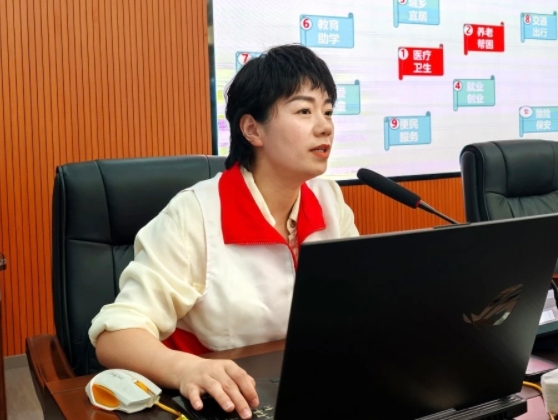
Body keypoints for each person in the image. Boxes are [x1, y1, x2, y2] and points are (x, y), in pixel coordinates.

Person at [89, 45, 359, 419]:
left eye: (327, 111)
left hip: (308, 386)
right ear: (252, 129)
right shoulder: (194, 214)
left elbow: (354, 304)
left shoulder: (329, 200)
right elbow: (115, 336)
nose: (325, 125)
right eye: (304, 111)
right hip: (220, 402)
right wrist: (186, 369)